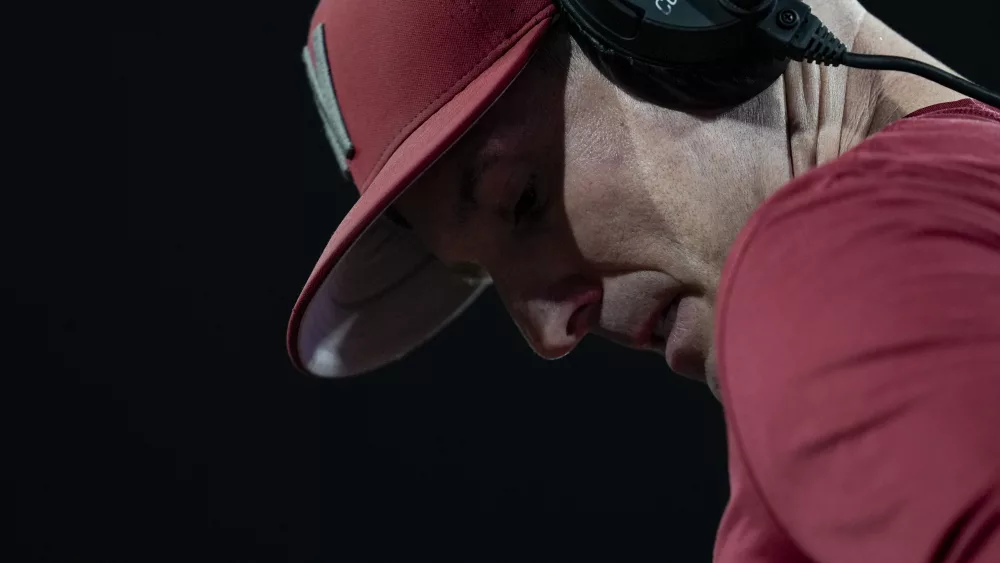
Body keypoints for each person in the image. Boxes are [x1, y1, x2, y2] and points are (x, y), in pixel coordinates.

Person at [291, 0, 1000, 560]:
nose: (548, 332)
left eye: (522, 199)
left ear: (691, 12)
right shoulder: (949, 204)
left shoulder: (819, 270)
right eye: (482, 274)